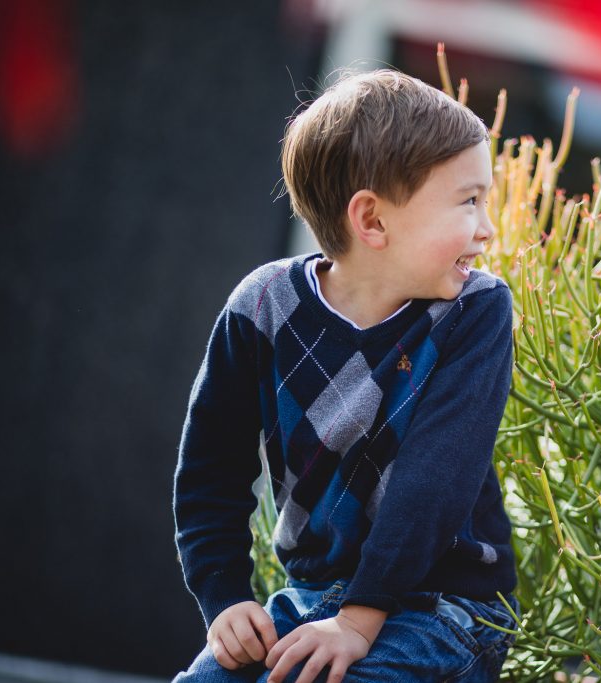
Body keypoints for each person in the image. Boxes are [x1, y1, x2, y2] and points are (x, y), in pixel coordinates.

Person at [172, 68, 520, 683]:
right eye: (469, 201)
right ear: (373, 221)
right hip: (314, 601)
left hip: (446, 609)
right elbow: (209, 470)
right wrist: (224, 598)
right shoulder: (263, 307)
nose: (487, 228)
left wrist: (359, 621)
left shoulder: (473, 312)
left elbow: (432, 484)